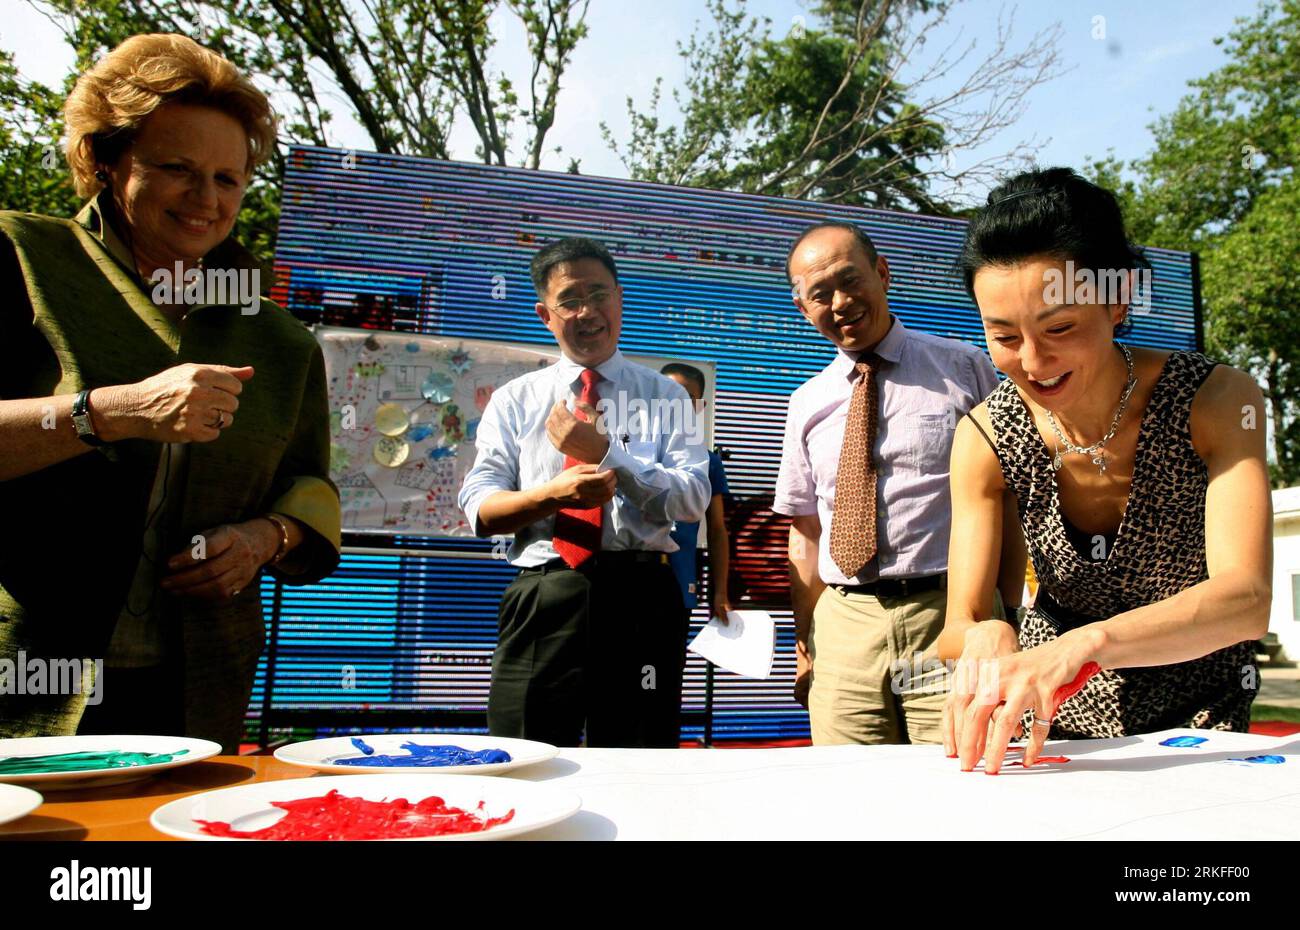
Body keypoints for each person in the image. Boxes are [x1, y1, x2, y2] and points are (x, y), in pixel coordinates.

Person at [0, 34, 341, 752]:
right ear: (105, 161)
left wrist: (263, 538)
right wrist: (111, 411)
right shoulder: (22, 259)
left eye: (228, 178)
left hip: (198, 686)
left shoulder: (280, 342)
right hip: (25, 672)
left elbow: (309, 484)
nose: (206, 199)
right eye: (176, 169)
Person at [939, 167, 1273, 774]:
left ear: (1117, 300)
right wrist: (985, 633)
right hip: (1049, 718)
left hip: (1200, 720)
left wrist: (1088, 644)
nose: (1034, 362)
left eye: (1059, 327)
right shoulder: (984, 435)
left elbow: (1246, 600)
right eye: (1004, 336)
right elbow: (958, 623)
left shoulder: (1218, 401)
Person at [458, 237, 710, 748]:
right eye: (570, 300)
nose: (588, 312)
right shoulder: (515, 400)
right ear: (545, 314)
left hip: (641, 595)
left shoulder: (665, 395)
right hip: (545, 589)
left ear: (619, 299)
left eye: (599, 295)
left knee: (639, 758)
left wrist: (604, 454)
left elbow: (691, 499)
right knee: (522, 752)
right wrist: (552, 495)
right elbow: (480, 507)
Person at [774, 221, 1018, 746]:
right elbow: (806, 532)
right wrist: (804, 641)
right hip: (844, 627)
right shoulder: (806, 403)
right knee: (847, 799)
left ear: (881, 273)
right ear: (804, 309)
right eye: (820, 294)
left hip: (951, 614)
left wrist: (1013, 613)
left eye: (849, 280)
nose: (840, 302)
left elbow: (1010, 497)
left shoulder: (965, 370)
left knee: (964, 779)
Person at [660, 363, 733, 626]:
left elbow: (716, 530)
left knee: (663, 667)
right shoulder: (630, 452)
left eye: (684, 397)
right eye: (666, 394)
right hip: (627, 586)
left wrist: (721, 592)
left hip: (679, 586)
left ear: (699, 406)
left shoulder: (708, 461)